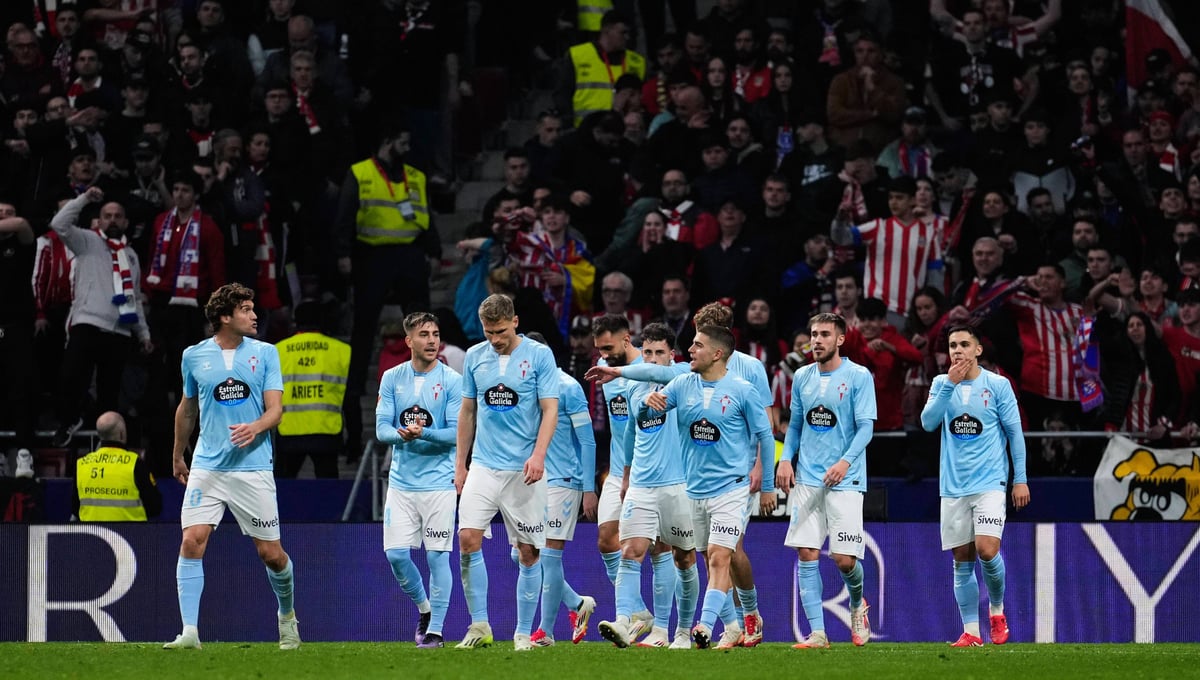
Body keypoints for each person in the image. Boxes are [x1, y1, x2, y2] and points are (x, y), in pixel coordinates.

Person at [164, 283, 298, 651]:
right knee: (191, 540)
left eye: (253, 309)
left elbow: (276, 410)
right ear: (225, 316)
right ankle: (189, 632)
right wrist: (178, 454)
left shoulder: (266, 353)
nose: (255, 316)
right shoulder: (193, 356)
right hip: (207, 466)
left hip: (252, 468)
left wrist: (255, 427)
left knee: (271, 555)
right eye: (246, 310)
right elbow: (187, 408)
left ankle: (287, 616)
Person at [638, 325, 775, 649]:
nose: (690, 350)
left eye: (697, 345)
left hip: (732, 487)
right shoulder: (682, 384)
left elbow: (766, 437)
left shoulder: (742, 390)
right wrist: (646, 403)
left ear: (717, 353)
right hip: (695, 489)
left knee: (719, 556)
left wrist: (767, 485)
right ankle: (746, 617)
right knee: (707, 556)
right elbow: (646, 420)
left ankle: (705, 625)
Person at [455, 294, 560, 650]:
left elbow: (549, 409)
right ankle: (479, 625)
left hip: (524, 469)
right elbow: (467, 411)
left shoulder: (540, 355)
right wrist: (461, 464)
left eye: (500, 331)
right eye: (489, 332)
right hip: (484, 466)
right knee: (467, 539)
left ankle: (522, 634)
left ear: (515, 322)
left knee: (529, 552)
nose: (495, 339)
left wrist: (539, 455)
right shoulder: (474, 357)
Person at [336, 122, 441, 465]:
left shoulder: (415, 175)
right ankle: (355, 424)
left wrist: (435, 251)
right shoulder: (361, 172)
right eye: (402, 141)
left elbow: (428, 216)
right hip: (372, 256)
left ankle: (427, 381)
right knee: (363, 330)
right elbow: (345, 215)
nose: (407, 148)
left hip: (409, 254)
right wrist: (343, 253)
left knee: (423, 324)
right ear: (386, 141)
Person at [920, 324, 1030, 646]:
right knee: (962, 559)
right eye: (953, 345)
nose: (958, 350)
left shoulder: (998, 385)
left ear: (978, 350)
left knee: (987, 549)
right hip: (953, 486)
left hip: (990, 482)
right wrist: (949, 385)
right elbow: (928, 423)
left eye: (964, 344)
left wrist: (1020, 479)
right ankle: (971, 632)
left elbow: (1015, 434)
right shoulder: (941, 384)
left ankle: (997, 611)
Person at [777, 312, 876, 649]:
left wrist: (845, 462)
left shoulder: (858, 376)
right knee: (806, 552)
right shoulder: (802, 376)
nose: (817, 340)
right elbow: (795, 425)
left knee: (844, 560)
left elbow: (866, 427)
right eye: (814, 334)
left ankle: (858, 603)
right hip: (808, 478)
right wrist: (786, 459)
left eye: (824, 335)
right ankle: (818, 634)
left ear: (840, 339)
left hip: (846, 479)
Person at [596, 322, 697, 649]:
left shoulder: (683, 376)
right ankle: (625, 620)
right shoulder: (634, 387)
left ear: (672, 355)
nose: (652, 359)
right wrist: (626, 476)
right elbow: (629, 432)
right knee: (631, 551)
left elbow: (662, 374)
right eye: (648, 352)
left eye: (659, 353)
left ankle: (679, 631)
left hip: (677, 485)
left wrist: (620, 371)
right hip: (641, 484)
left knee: (684, 559)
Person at [375, 311, 463, 649]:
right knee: (396, 556)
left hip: (439, 484)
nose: (432, 340)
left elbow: (456, 434)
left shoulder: (452, 380)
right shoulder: (391, 378)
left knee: (437, 557)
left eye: (435, 334)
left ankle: (436, 631)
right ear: (408, 340)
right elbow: (382, 429)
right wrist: (402, 435)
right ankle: (425, 610)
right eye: (424, 335)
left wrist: (423, 433)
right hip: (401, 485)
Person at [48, 187, 152, 448]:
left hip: (119, 331)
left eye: (118, 216)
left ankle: (107, 440)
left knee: (110, 391)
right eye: (107, 216)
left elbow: (134, 298)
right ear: (99, 220)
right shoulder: (86, 241)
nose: (112, 220)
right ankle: (69, 421)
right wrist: (84, 199)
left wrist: (144, 334)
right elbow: (58, 223)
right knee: (71, 376)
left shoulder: (131, 255)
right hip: (88, 323)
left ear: (126, 222)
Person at [522, 332, 598, 647]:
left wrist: (589, 488)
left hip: (564, 480)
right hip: (532, 481)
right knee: (521, 555)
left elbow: (587, 441)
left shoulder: (568, 387)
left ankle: (545, 632)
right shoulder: (525, 387)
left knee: (550, 557)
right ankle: (577, 603)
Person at [589, 313, 652, 641]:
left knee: (661, 550)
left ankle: (661, 623)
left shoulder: (650, 367)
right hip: (618, 470)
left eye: (609, 348)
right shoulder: (604, 368)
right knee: (606, 539)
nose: (604, 355)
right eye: (600, 349)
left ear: (627, 340)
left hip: (651, 472)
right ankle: (638, 613)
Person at [274, 301, 351, 479]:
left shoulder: (278, 350)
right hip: (326, 433)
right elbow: (350, 398)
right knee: (328, 488)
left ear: (295, 322)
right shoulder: (341, 350)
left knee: (282, 488)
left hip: (289, 433)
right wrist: (354, 437)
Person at [73, 411, 162, 521]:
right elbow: (155, 507)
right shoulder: (135, 463)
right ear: (121, 433)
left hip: (92, 531)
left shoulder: (82, 464)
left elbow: (75, 508)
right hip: (131, 531)